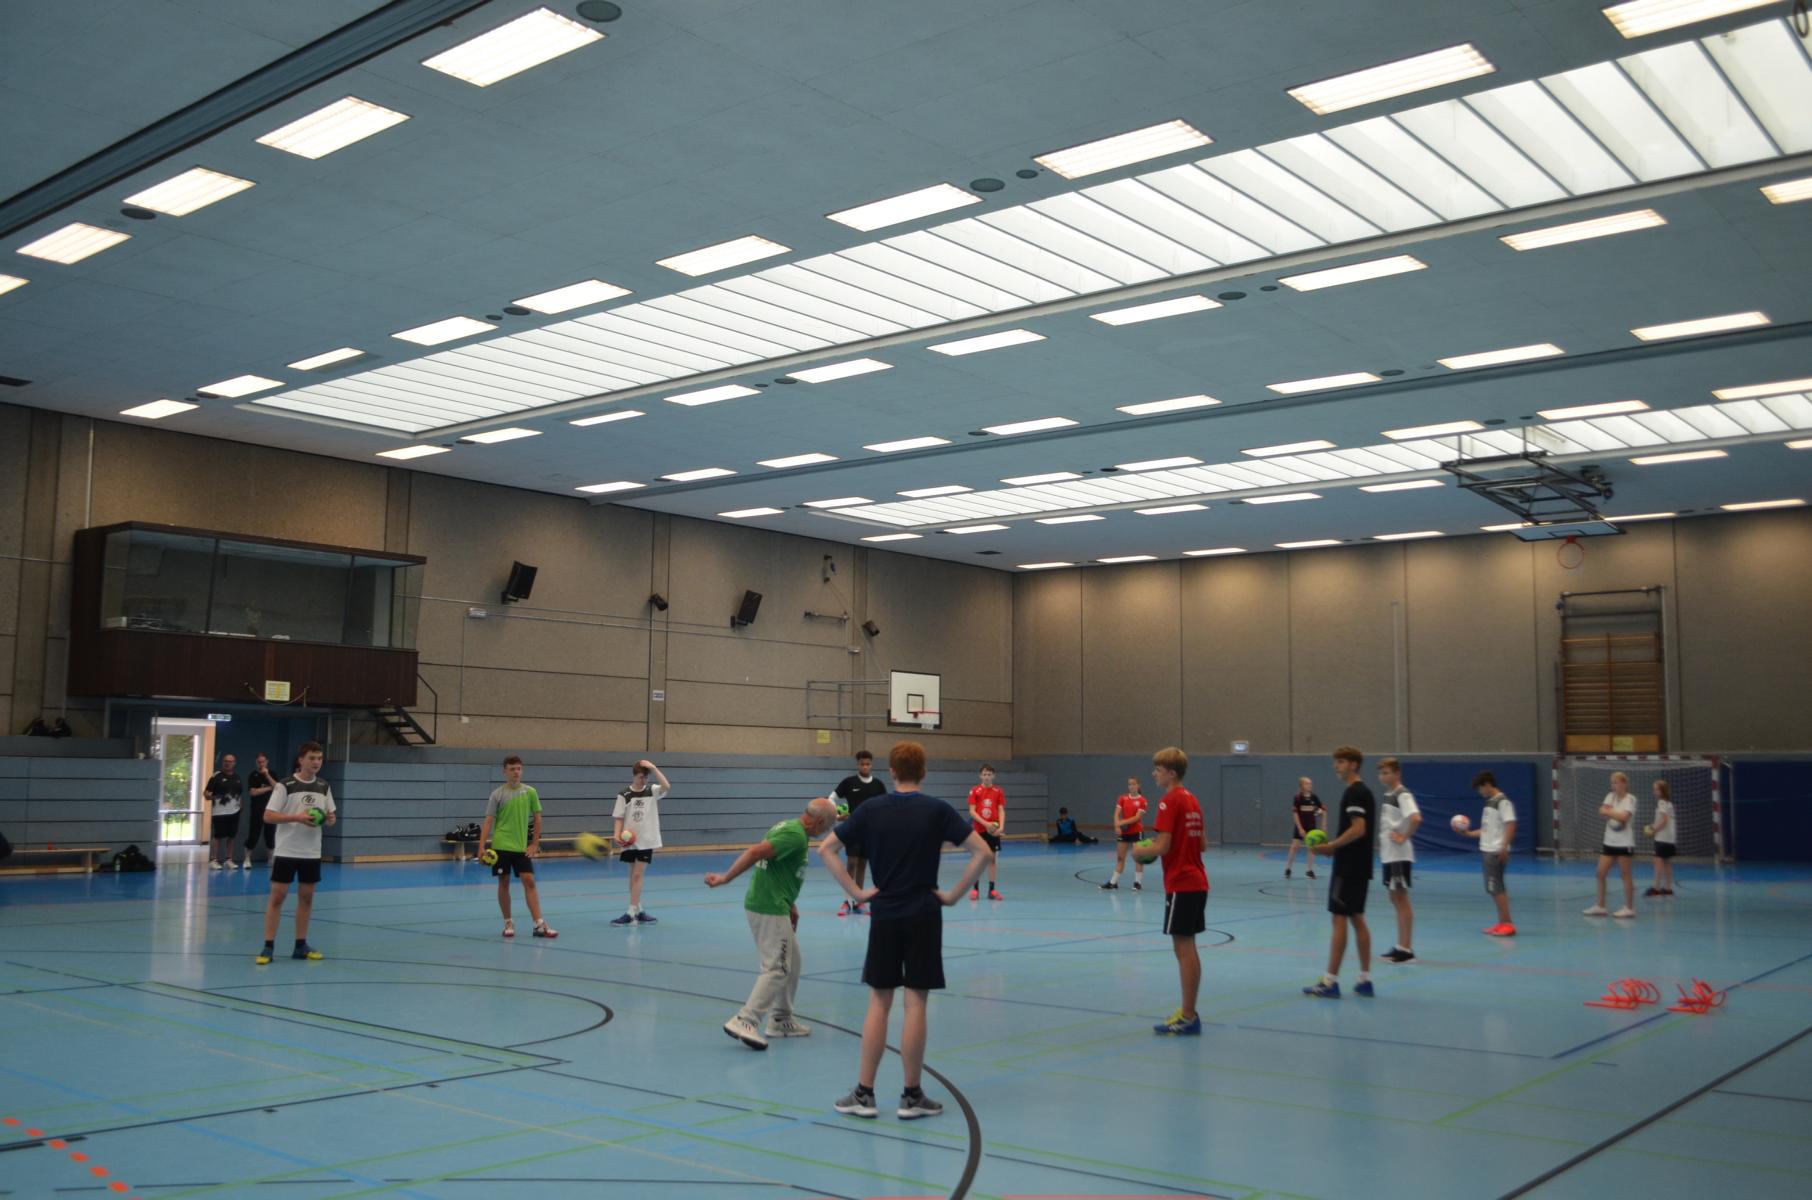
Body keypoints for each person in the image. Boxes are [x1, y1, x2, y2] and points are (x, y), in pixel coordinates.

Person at [817, 742, 992, 1120]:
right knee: (916, 1002)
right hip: (924, 913)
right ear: (923, 772)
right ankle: (911, 1096)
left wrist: (857, 893)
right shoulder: (937, 810)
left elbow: (826, 850)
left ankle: (864, 1094)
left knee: (879, 1002)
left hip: (885, 913)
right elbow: (983, 853)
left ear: (892, 772)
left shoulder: (872, 809)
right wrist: (953, 896)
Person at [707, 797, 840, 1050]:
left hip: (775, 902)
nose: (828, 830)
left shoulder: (788, 827)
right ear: (820, 821)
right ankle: (746, 1020)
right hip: (768, 906)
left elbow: (778, 869)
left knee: (793, 960)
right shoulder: (795, 835)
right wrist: (725, 879)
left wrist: (790, 903)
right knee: (777, 967)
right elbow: (754, 853)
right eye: (829, 825)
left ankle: (781, 1019)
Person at [1142, 746, 1207, 1033]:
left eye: (1157, 769)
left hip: (1181, 883)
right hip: (1198, 881)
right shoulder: (1193, 800)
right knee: (1189, 947)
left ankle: (1188, 1017)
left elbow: (1163, 846)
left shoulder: (1169, 801)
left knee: (1183, 949)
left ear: (1171, 773)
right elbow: (1202, 844)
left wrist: (1139, 851)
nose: (1154, 774)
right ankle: (1189, 1012)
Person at [1304, 746, 1377, 998]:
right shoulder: (1364, 792)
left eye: (1342, 762)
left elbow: (1359, 828)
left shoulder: (1354, 792)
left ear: (1354, 764)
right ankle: (1365, 980)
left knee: (1339, 918)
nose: (1336, 766)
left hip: (1348, 868)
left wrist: (1332, 847)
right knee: (1357, 917)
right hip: (1361, 865)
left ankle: (1330, 981)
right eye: (1336, 762)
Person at [256, 741, 336, 964]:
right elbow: (268, 816)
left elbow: (331, 817)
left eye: (319, 758)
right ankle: (268, 946)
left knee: (307, 898)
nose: (316, 762)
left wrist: (330, 818)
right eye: (311, 758)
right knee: (277, 897)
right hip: (287, 850)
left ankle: (300, 945)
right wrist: (297, 817)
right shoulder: (285, 785)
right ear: (301, 760)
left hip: (311, 852)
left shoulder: (324, 786)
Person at [478, 755, 556, 939]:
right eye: (512, 769)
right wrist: (481, 847)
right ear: (504, 771)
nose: (516, 772)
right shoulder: (497, 794)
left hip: (521, 847)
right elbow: (488, 821)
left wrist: (534, 843)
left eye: (519, 768)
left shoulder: (530, 792)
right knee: (503, 882)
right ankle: (508, 922)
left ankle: (538, 924)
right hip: (501, 846)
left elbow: (537, 817)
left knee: (529, 881)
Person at [611, 759, 670, 925]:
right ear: (634, 776)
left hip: (646, 840)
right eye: (640, 777)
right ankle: (639, 909)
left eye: (646, 777)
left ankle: (631, 912)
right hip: (629, 841)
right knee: (632, 875)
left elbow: (666, 786)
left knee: (637, 875)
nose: (643, 780)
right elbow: (619, 817)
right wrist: (616, 835)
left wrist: (654, 768)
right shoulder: (624, 794)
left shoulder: (652, 791)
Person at [1460, 770, 1517, 937]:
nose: (1480, 792)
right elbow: (1486, 829)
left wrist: (1503, 847)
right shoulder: (1490, 803)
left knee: (1496, 888)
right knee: (1494, 888)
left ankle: (1507, 924)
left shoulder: (1502, 802)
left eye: (1480, 788)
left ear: (1487, 784)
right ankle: (1502, 922)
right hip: (1487, 850)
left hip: (1495, 851)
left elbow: (1511, 824)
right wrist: (1468, 833)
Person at [832, 750, 888, 916]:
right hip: (852, 829)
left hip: (870, 831)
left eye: (868, 764)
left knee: (863, 864)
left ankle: (859, 902)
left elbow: (884, 806)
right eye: (862, 764)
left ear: (871, 765)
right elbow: (831, 798)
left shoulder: (878, 785)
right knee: (851, 863)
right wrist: (836, 816)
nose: (865, 767)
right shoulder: (849, 782)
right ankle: (847, 901)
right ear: (858, 764)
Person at [1377, 757, 1421, 963]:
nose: (1382, 776)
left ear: (1397, 774)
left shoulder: (1402, 794)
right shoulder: (1389, 795)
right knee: (1394, 898)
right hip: (1389, 855)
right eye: (1381, 773)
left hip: (1398, 855)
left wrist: (1404, 836)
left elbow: (1415, 818)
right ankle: (1400, 945)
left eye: (1386, 772)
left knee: (1401, 899)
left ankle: (1406, 949)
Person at [1585, 771, 1637, 919]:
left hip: (1624, 843)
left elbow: (1624, 817)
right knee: (1600, 873)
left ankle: (1629, 908)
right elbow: (1601, 810)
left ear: (1624, 784)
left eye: (1616, 782)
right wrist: (1613, 813)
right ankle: (1601, 906)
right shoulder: (1610, 796)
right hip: (1609, 841)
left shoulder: (1630, 799)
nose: (1613, 785)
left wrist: (1610, 812)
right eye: (1612, 783)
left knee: (1625, 875)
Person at [1101, 776, 1149, 891]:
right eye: (1129, 784)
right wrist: (1117, 826)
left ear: (1138, 785)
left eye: (1133, 784)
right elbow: (1116, 813)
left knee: (1138, 857)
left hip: (1136, 832)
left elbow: (1137, 818)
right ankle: (1113, 883)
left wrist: (1122, 822)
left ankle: (1137, 883)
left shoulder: (1142, 801)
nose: (1131, 786)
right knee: (1120, 858)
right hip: (1124, 832)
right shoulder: (1122, 798)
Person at [966, 764, 1005, 900]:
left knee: (992, 860)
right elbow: (972, 812)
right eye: (984, 774)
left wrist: (1001, 827)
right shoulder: (974, 791)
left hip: (993, 831)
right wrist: (986, 824)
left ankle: (992, 890)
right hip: (979, 830)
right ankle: (975, 890)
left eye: (989, 774)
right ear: (980, 776)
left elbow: (1001, 810)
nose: (987, 776)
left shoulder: (998, 791)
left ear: (993, 776)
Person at [204, 753, 244, 870]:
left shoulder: (237, 777)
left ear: (234, 763)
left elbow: (239, 794)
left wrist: (241, 805)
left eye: (230, 761)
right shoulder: (216, 776)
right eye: (226, 761)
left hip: (234, 812)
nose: (228, 763)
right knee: (218, 836)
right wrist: (214, 797)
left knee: (232, 836)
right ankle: (213, 860)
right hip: (219, 812)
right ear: (223, 763)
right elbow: (206, 794)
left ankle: (228, 860)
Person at [1283, 776, 1323, 880]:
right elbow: (1295, 814)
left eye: (1310, 783)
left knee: (1311, 848)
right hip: (1301, 826)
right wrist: (1300, 828)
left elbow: (1322, 809)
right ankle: (1288, 869)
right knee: (1294, 847)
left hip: (1312, 827)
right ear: (1302, 786)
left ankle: (1309, 870)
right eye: (1307, 783)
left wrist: (1319, 812)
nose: (1310, 785)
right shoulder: (1297, 798)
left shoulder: (1314, 797)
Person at [244, 752, 277, 865]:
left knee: (270, 835)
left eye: (263, 762)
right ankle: (247, 859)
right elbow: (253, 792)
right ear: (256, 762)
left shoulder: (272, 774)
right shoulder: (253, 775)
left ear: (267, 762)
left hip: (271, 809)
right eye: (259, 762)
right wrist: (269, 788)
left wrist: (267, 775)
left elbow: (277, 787)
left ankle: (271, 859)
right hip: (257, 809)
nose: (261, 764)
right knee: (253, 834)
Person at [1645, 779, 1676, 898]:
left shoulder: (1662, 802)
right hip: (1670, 838)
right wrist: (1653, 826)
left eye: (1656, 789)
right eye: (1654, 789)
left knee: (1657, 862)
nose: (1654, 791)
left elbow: (1664, 821)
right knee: (1666, 863)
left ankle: (1656, 888)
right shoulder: (1669, 803)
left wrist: (1652, 830)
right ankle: (1668, 888)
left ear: (1662, 790)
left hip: (1662, 838)